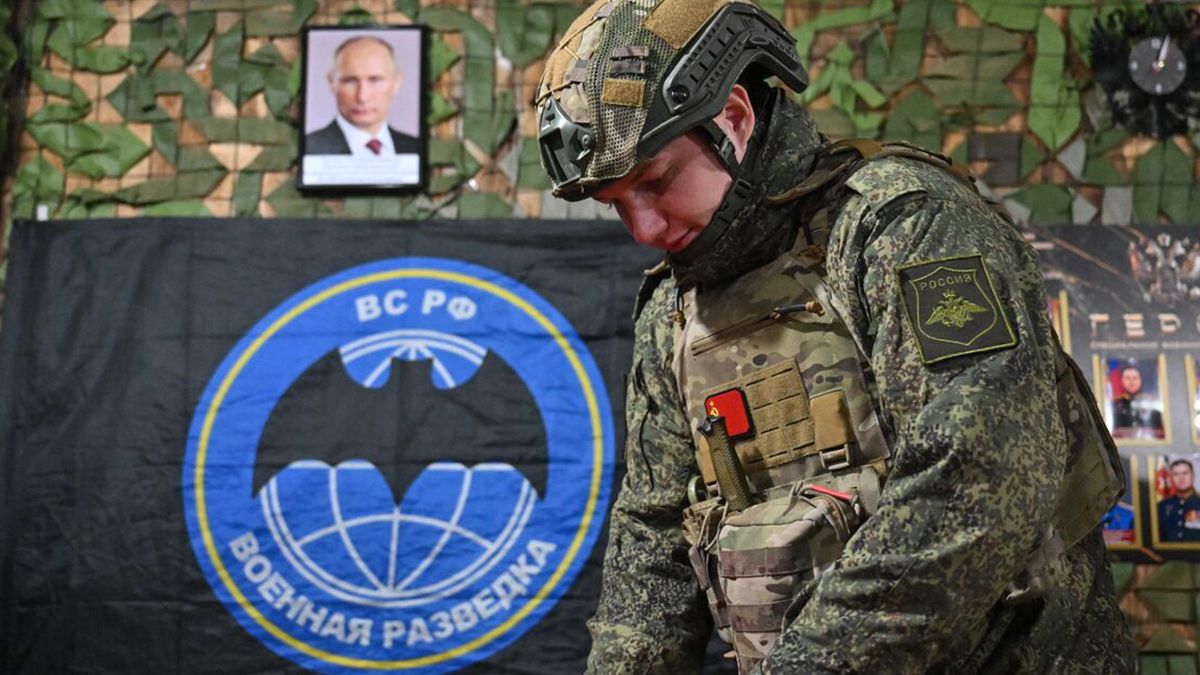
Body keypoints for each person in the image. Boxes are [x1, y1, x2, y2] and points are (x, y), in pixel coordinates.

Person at [535, 1, 1134, 673]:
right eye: (616, 204)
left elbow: (976, 479)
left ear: (732, 117)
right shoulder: (673, 308)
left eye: (655, 181)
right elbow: (653, 545)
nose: (643, 229)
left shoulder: (903, 227)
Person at [305, 35, 420, 156]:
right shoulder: (309, 148)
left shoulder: (415, 148)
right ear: (331, 83)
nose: (362, 97)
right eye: (350, 81)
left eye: (375, 80)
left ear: (396, 83)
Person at [1111, 363, 1164, 438]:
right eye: (1127, 378)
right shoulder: (1114, 404)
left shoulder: (1152, 403)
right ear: (1122, 380)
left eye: (1135, 378)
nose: (1131, 382)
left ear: (1141, 380)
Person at [1158, 459, 1200, 542]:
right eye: (1176, 474)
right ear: (1171, 478)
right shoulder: (1162, 506)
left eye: (1185, 473)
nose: (1181, 478)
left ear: (1193, 475)